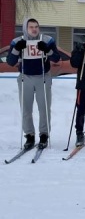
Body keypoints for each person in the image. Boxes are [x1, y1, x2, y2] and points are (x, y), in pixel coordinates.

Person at [7, 18, 61, 150]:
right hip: (26, 77)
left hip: (43, 76)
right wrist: (16, 50)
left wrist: (47, 50)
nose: (34, 29)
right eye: (31, 27)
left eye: (36, 26)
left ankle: (44, 135)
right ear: (26, 28)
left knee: (44, 108)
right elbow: (10, 61)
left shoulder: (47, 39)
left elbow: (56, 58)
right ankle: (29, 135)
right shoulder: (17, 41)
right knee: (26, 108)